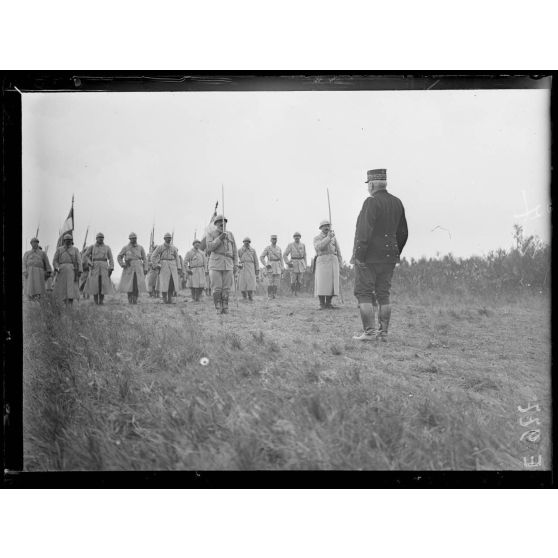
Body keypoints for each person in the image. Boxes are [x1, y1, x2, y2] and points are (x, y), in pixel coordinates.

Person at [352, 168, 408, 341]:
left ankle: (369, 333)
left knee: (364, 293)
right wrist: (394, 251)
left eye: (369, 184)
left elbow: (363, 232)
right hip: (390, 257)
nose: (368, 187)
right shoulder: (397, 202)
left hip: (369, 257)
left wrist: (359, 256)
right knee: (384, 293)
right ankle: (383, 333)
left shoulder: (371, 202)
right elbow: (403, 233)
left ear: (373, 184)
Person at [206, 215, 238, 314]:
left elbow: (235, 250)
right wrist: (220, 238)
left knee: (226, 287)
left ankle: (225, 306)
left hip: (228, 263)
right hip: (215, 263)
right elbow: (209, 247)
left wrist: (235, 264)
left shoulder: (230, 234)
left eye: (224, 222)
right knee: (217, 287)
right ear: (215, 224)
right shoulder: (211, 234)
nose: (222, 223)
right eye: (219, 222)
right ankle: (218, 306)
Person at [313, 220, 342, 309]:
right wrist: (328, 238)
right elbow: (319, 247)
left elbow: (338, 250)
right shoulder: (317, 238)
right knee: (322, 283)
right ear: (321, 228)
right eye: (324, 226)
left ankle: (329, 303)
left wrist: (340, 262)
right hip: (322, 261)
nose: (326, 227)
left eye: (328, 226)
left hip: (333, 261)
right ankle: (322, 303)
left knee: (332, 283)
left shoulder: (333, 238)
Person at [117, 232, 148, 304]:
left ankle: (135, 299)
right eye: (132, 238)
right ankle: (130, 299)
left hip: (138, 268)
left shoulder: (140, 247)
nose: (134, 240)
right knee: (129, 285)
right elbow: (119, 257)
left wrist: (145, 268)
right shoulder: (125, 248)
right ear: (129, 239)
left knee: (136, 285)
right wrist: (123, 264)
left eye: (135, 238)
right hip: (129, 268)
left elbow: (145, 259)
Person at [151, 233, 182, 304]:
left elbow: (177, 258)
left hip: (172, 265)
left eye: (170, 238)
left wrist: (179, 267)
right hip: (163, 265)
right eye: (167, 238)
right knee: (164, 283)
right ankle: (164, 299)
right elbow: (153, 256)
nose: (169, 239)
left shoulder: (173, 248)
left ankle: (170, 299)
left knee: (171, 283)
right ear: (164, 239)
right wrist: (156, 265)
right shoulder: (160, 247)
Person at [84, 233, 114, 305]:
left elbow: (111, 258)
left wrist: (111, 267)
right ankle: (95, 301)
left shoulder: (107, 247)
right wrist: (89, 262)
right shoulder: (92, 247)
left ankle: (101, 300)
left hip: (104, 267)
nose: (101, 239)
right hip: (94, 266)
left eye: (102, 237)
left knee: (102, 284)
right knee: (95, 284)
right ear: (96, 238)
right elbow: (85, 256)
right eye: (99, 237)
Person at [52, 233, 82, 306]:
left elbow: (79, 261)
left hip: (72, 270)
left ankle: (70, 304)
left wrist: (80, 270)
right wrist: (56, 267)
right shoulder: (59, 250)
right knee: (63, 288)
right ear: (63, 241)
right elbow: (55, 260)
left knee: (71, 288)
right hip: (61, 270)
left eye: (69, 240)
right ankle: (64, 304)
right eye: (66, 240)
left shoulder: (75, 249)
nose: (68, 241)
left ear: (72, 241)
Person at [283, 232, 307, 296]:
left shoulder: (303, 245)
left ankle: (298, 292)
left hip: (301, 263)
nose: (297, 237)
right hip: (293, 262)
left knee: (300, 279)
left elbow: (305, 255)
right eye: (295, 236)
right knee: (293, 279)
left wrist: (305, 264)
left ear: (300, 237)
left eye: (298, 236)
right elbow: (285, 254)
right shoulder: (290, 245)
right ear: (293, 237)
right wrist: (288, 262)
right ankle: (293, 292)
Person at [260, 235, 284, 299]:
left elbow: (281, 258)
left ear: (277, 240)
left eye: (275, 239)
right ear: (270, 240)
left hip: (277, 265)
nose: (274, 240)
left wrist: (282, 267)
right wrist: (265, 264)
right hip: (270, 265)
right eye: (273, 239)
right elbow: (261, 257)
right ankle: (269, 295)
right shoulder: (268, 248)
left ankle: (274, 295)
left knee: (276, 282)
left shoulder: (279, 248)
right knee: (270, 281)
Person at [238, 237, 259, 301]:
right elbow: (237, 258)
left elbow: (256, 260)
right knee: (242, 281)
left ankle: (250, 296)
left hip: (251, 266)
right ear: (243, 242)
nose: (246, 243)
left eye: (248, 242)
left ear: (249, 243)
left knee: (251, 282)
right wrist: (238, 265)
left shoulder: (253, 250)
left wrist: (257, 269)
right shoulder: (240, 250)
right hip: (243, 266)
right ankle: (244, 296)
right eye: (245, 241)